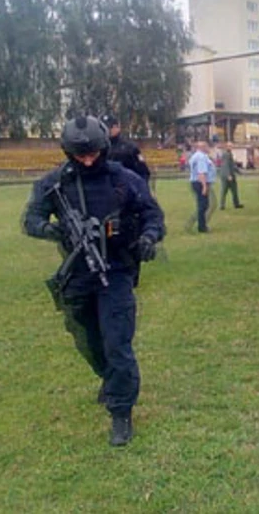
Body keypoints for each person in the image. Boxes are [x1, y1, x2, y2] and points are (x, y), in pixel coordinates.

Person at [23, 115, 165, 446]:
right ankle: (108, 376)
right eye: (80, 155)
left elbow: (152, 214)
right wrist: (49, 229)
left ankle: (121, 411)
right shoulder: (55, 183)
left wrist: (149, 236)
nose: (87, 161)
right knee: (85, 337)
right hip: (76, 273)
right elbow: (31, 217)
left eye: (93, 154)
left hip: (115, 270)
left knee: (117, 342)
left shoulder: (124, 179)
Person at [99, 114, 151, 183]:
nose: (106, 131)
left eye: (109, 127)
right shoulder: (97, 148)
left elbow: (143, 174)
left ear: (117, 127)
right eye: (103, 128)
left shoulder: (130, 148)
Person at [187, 141, 215, 233]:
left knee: (204, 204)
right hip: (200, 183)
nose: (209, 148)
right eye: (207, 146)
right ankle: (201, 226)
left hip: (197, 182)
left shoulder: (197, 156)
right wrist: (204, 186)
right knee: (203, 205)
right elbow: (201, 173)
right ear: (202, 147)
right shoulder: (201, 157)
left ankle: (200, 224)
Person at [219, 142, 244, 210]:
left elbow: (232, 165)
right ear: (226, 146)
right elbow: (225, 165)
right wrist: (228, 175)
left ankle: (236, 204)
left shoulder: (229, 154)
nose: (231, 147)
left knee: (234, 190)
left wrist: (239, 172)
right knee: (224, 190)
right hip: (227, 175)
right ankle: (222, 205)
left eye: (231, 146)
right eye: (229, 146)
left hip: (231, 175)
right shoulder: (226, 154)